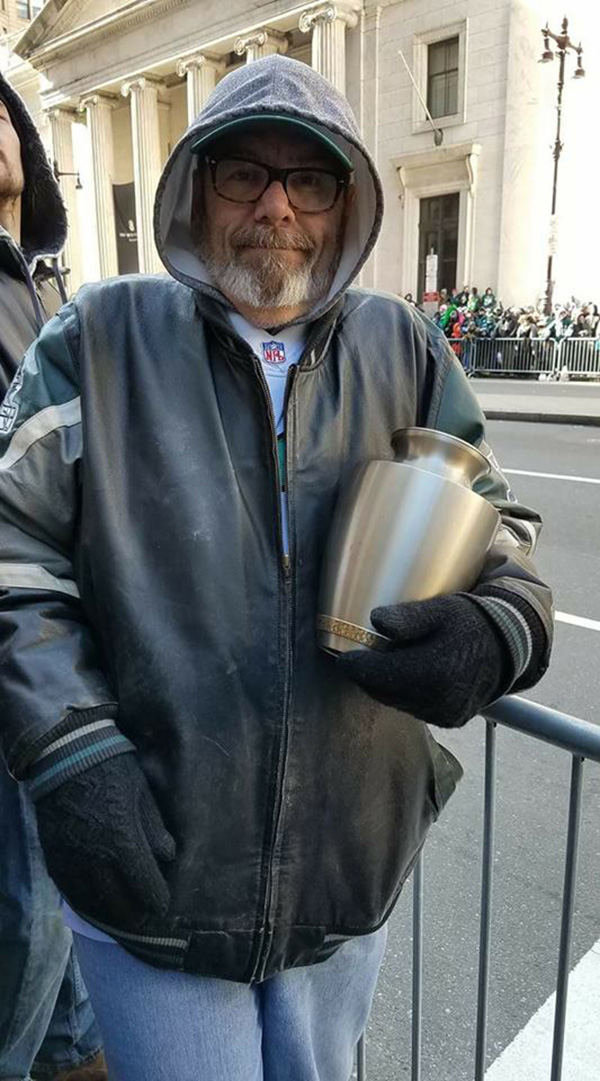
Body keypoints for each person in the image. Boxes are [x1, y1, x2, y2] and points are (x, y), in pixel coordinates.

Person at [0, 55, 553, 1081]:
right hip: (152, 876)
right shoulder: (98, 341)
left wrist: (498, 627)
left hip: (345, 881)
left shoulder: (408, 347)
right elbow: (11, 551)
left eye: (309, 180)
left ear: (345, 203)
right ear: (194, 189)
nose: (277, 209)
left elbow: (498, 529)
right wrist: (71, 755)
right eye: (243, 175)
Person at [0, 75, 106, 1081]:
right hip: (15, 647)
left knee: (57, 891)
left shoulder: (38, 284)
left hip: (57, 631)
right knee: (30, 904)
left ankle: (73, 1054)